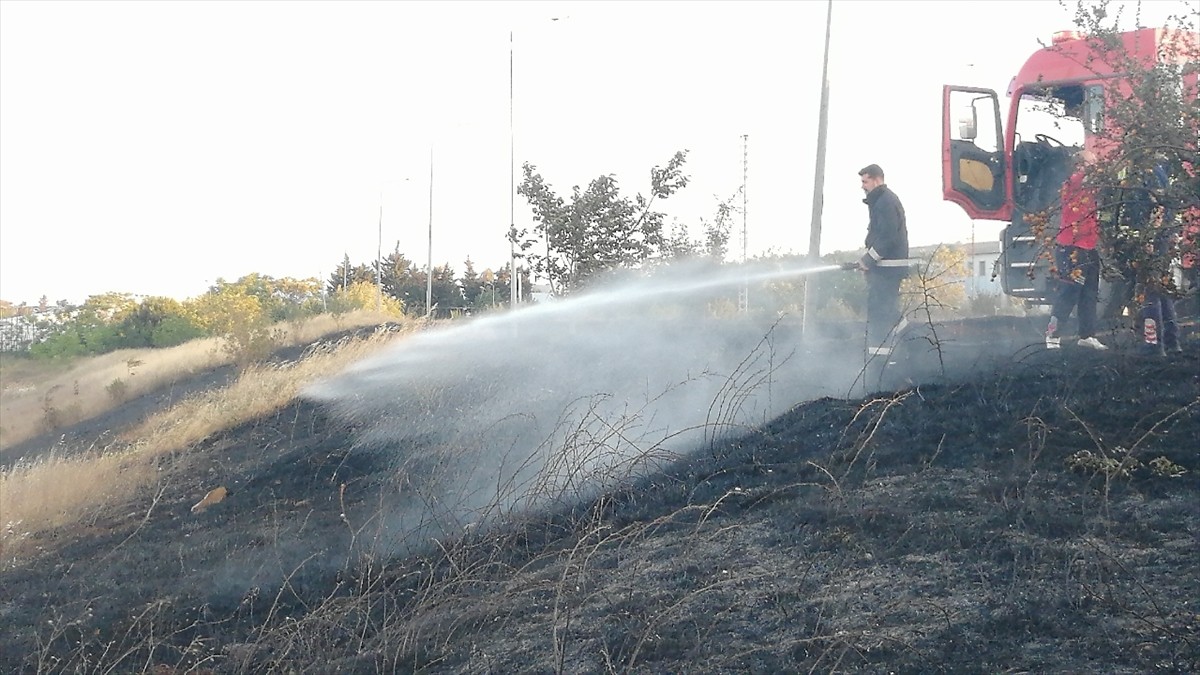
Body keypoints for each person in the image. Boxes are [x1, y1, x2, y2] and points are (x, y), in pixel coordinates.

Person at [1046, 149, 1107, 350]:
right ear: (1080, 164)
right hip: (1072, 246)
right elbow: (1091, 175)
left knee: (1089, 293)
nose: (1096, 163)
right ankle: (1052, 335)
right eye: (1092, 160)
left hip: (1089, 246)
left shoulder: (1090, 187)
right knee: (1069, 292)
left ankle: (1087, 335)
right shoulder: (1073, 182)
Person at [853, 164, 910, 359]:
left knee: (880, 312)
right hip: (884, 267)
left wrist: (868, 260)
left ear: (877, 180)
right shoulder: (881, 201)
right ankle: (904, 340)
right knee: (885, 308)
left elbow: (888, 237)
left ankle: (880, 359)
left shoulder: (885, 202)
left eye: (865, 181)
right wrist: (867, 260)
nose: (862, 186)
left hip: (888, 269)